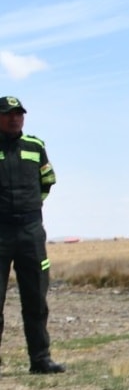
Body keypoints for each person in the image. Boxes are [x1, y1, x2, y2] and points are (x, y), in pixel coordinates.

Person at [0, 96, 66, 375]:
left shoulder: (35, 146)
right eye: (8, 114)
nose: (15, 118)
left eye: (19, 114)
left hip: (30, 233)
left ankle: (40, 360)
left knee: (36, 300)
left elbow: (47, 182)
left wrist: (29, 208)